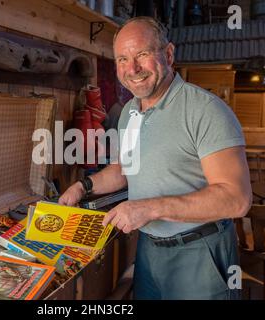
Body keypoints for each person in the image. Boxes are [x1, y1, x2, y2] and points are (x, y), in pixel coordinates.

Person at [58, 16, 252, 300]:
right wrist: (82, 187)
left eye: (142, 55)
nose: (132, 69)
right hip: (150, 250)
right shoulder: (129, 112)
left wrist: (148, 209)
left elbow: (237, 199)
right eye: (122, 59)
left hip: (200, 252)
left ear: (169, 54)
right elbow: (122, 169)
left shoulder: (206, 110)